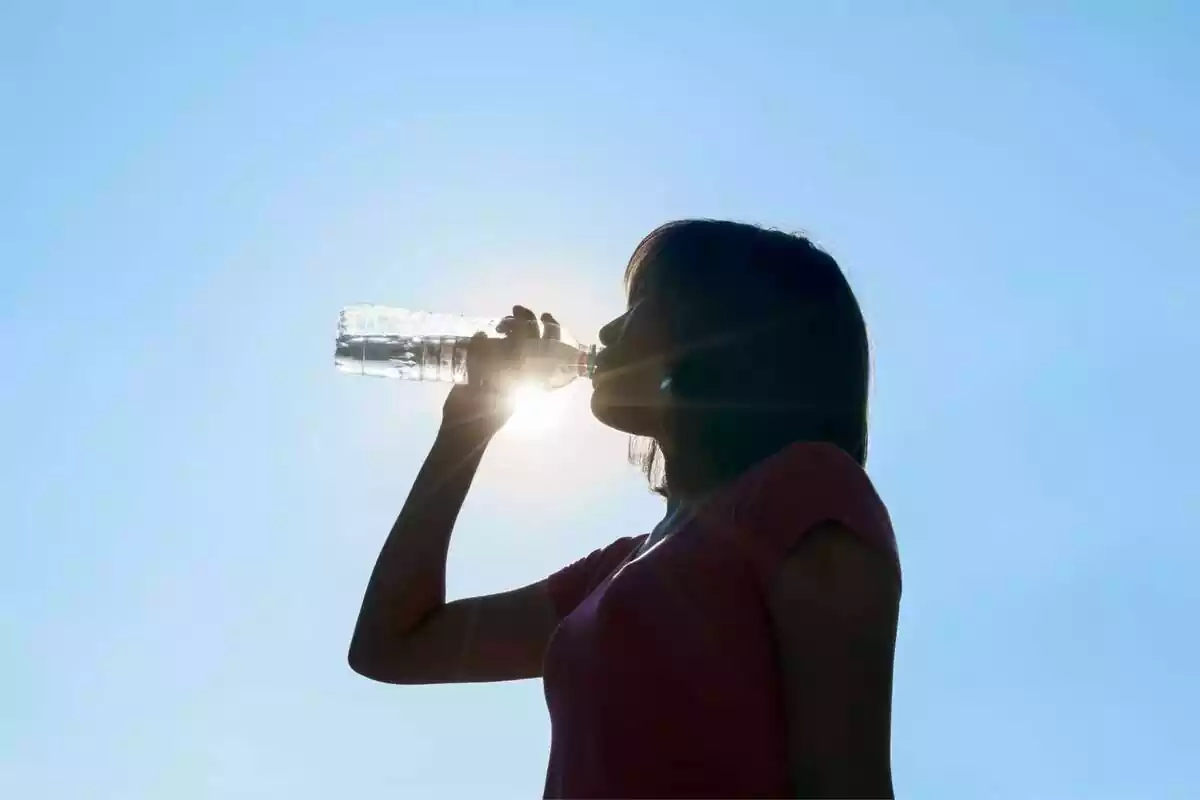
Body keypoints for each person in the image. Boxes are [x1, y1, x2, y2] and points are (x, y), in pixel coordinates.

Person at [348, 219, 901, 799]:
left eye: (640, 306)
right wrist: (465, 433)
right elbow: (393, 645)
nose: (608, 330)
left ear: (716, 332)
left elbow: (847, 784)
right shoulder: (613, 572)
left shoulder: (804, 490)